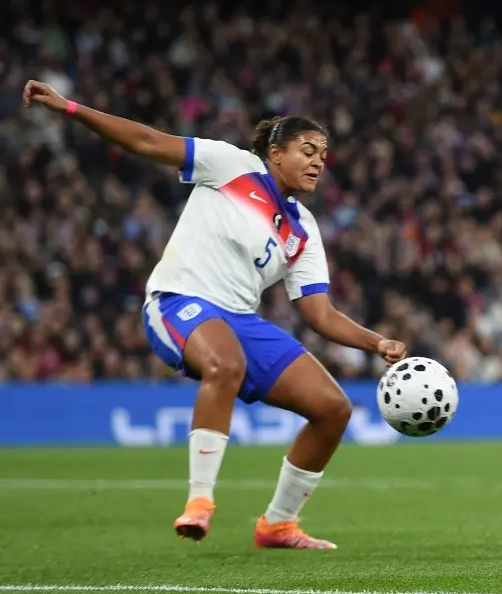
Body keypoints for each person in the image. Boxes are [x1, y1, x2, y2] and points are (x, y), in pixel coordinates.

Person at [22, 79, 408, 550]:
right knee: (226, 363)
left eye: (323, 156)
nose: (317, 162)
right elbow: (146, 141)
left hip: (238, 321)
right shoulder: (231, 166)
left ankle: (278, 524)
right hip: (179, 300)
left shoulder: (303, 227)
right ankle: (199, 502)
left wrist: (377, 342)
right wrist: (72, 108)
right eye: (308, 150)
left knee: (332, 408)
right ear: (275, 151)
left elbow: (320, 314)